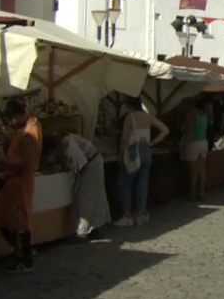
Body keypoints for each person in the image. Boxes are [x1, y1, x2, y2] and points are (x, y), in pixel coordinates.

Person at [0, 98, 41, 273]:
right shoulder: (26, 130)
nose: (11, 123)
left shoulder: (28, 135)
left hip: (19, 182)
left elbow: (26, 164)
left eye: (11, 119)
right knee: (8, 220)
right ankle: (23, 253)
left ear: (16, 116)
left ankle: (25, 258)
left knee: (18, 222)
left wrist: (4, 161)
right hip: (16, 181)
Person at [117, 97, 169, 227]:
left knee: (125, 184)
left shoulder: (130, 117)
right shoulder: (148, 116)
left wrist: (121, 154)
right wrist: (153, 142)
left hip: (133, 150)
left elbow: (124, 138)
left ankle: (127, 216)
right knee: (142, 183)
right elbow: (165, 130)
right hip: (146, 150)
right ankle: (140, 214)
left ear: (129, 105)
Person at [55, 132, 110, 238]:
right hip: (92, 163)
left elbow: (80, 162)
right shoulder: (69, 139)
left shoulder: (67, 142)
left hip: (92, 166)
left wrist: (70, 170)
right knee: (93, 197)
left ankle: (88, 229)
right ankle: (91, 227)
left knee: (88, 197)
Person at [182, 100, 212, 202]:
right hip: (203, 142)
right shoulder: (205, 116)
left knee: (193, 170)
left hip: (193, 142)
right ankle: (201, 191)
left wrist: (184, 144)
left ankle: (192, 193)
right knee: (201, 169)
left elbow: (189, 130)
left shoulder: (191, 115)